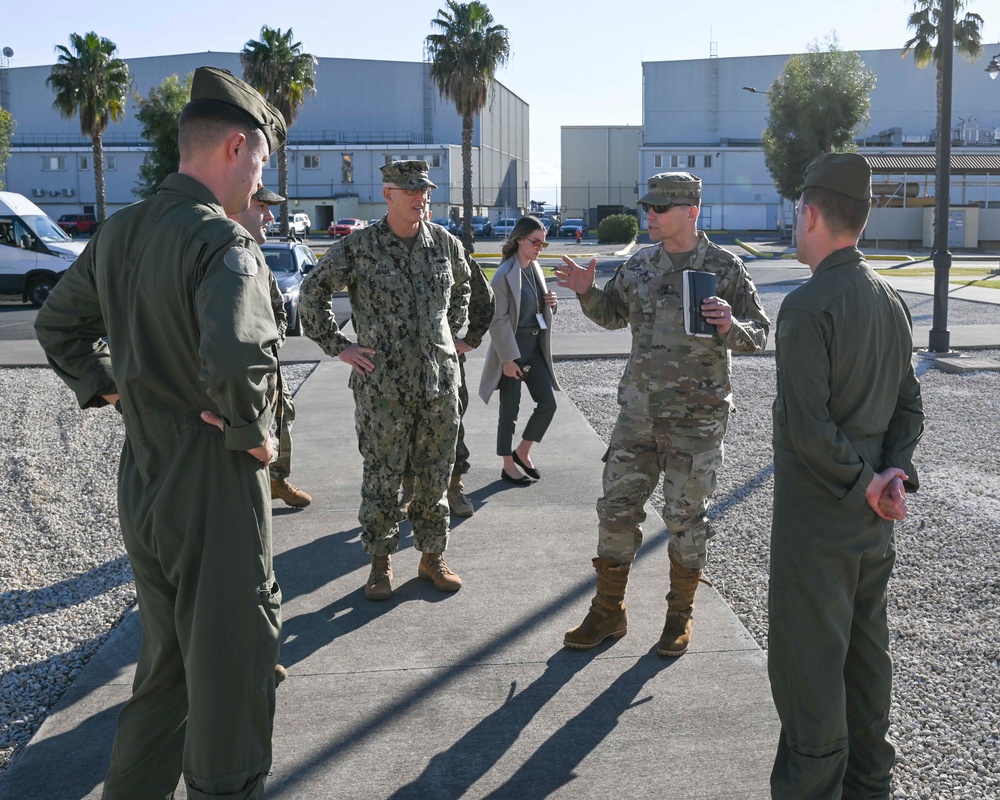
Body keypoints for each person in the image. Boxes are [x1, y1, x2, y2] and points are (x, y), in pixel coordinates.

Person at [34, 66, 285, 799]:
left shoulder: (123, 230)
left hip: (143, 478)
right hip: (210, 480)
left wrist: (113, 389)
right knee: (233, 667)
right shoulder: (222, 243)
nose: (257, 183)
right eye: (261, 163)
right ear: (236, 147)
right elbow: (238, 355)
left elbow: (58, 326)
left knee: (168, 666)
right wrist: (251, 434)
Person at [554, 171, 770, 656]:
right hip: (638, 416)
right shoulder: (639, 266)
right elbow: (610, 315)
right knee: (615, 511)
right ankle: (608, 612)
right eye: (646, 207)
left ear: (690, 211)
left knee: (685, 518)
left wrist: (729, 325)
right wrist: (587, 292)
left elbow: (759, 335)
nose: (648, 215)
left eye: (658, 208)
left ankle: (679, 616)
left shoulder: (724, 267)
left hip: (696, 421)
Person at [767, 152, 924, 799]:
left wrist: (865, 481)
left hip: (818, 530)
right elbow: (909, 406)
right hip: (873, 528)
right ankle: (870, 788)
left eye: (795, 215)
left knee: (810, 676)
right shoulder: (890, 301)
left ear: (810, 213)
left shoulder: (807, 308)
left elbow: (809, 429)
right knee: (866, 666)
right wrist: (892, 474)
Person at [300, 160, 471, 601]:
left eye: (425, 190)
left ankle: (432, 556)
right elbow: (312, 291)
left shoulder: (445, 244)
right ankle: (380, 562)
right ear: (388, 193)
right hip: (383, 390)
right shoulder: (360, 247)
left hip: (438, 386)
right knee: (382, 479)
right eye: (411, 190)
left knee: (435, 477)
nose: (421, 198)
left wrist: (449, 335)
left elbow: (466, 286)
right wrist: (339, 346)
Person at [231, 186, 312, 508]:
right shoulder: (225, 253)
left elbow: (277, 306)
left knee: (280, 419)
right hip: (242, 371)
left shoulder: (254, 252)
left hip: (268, 365)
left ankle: (277, 481)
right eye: (262, 206)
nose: (270, 216)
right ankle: (252, 492)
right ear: (237, 204)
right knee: (251, 431)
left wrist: (273, 340)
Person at [479, 215, 559, 486]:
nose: (539, 247)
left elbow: (538, 308)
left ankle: (523, 451)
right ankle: (507, 465)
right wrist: (507, 359)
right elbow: (498, 319)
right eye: (536, 242)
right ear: (520, 240)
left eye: (543, 244)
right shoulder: (504, 274)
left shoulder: (534, 268)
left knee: (548, 404)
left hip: (534, 350)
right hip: (513, 351)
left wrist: (551, 302)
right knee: (509, 411)